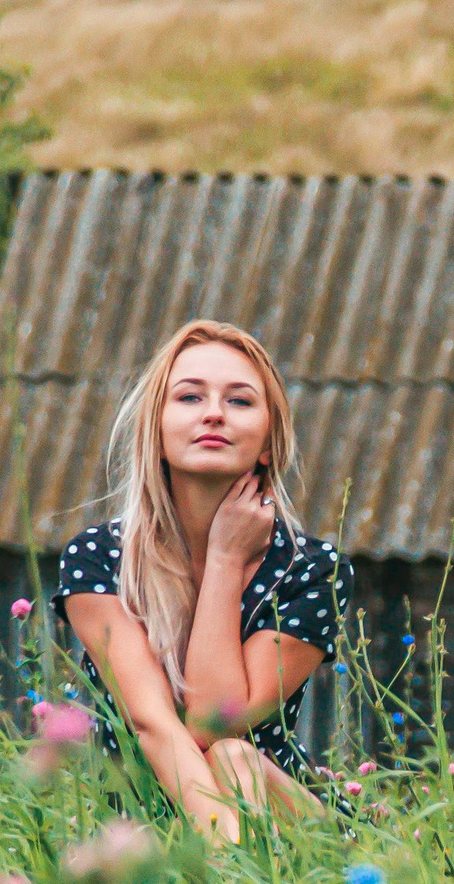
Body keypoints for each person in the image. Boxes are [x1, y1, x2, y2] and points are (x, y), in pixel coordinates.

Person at [53, 319, 347, 838]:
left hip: (285, 827)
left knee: (236, 758)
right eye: (189, 398)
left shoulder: (312, 570)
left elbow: (214, 720)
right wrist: (223, 853)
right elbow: (153, 726)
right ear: (157, 432)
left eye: (239, 401)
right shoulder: (101, 559)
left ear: (266, 444)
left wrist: (224, 564)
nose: (214, 412)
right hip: (144, 826)